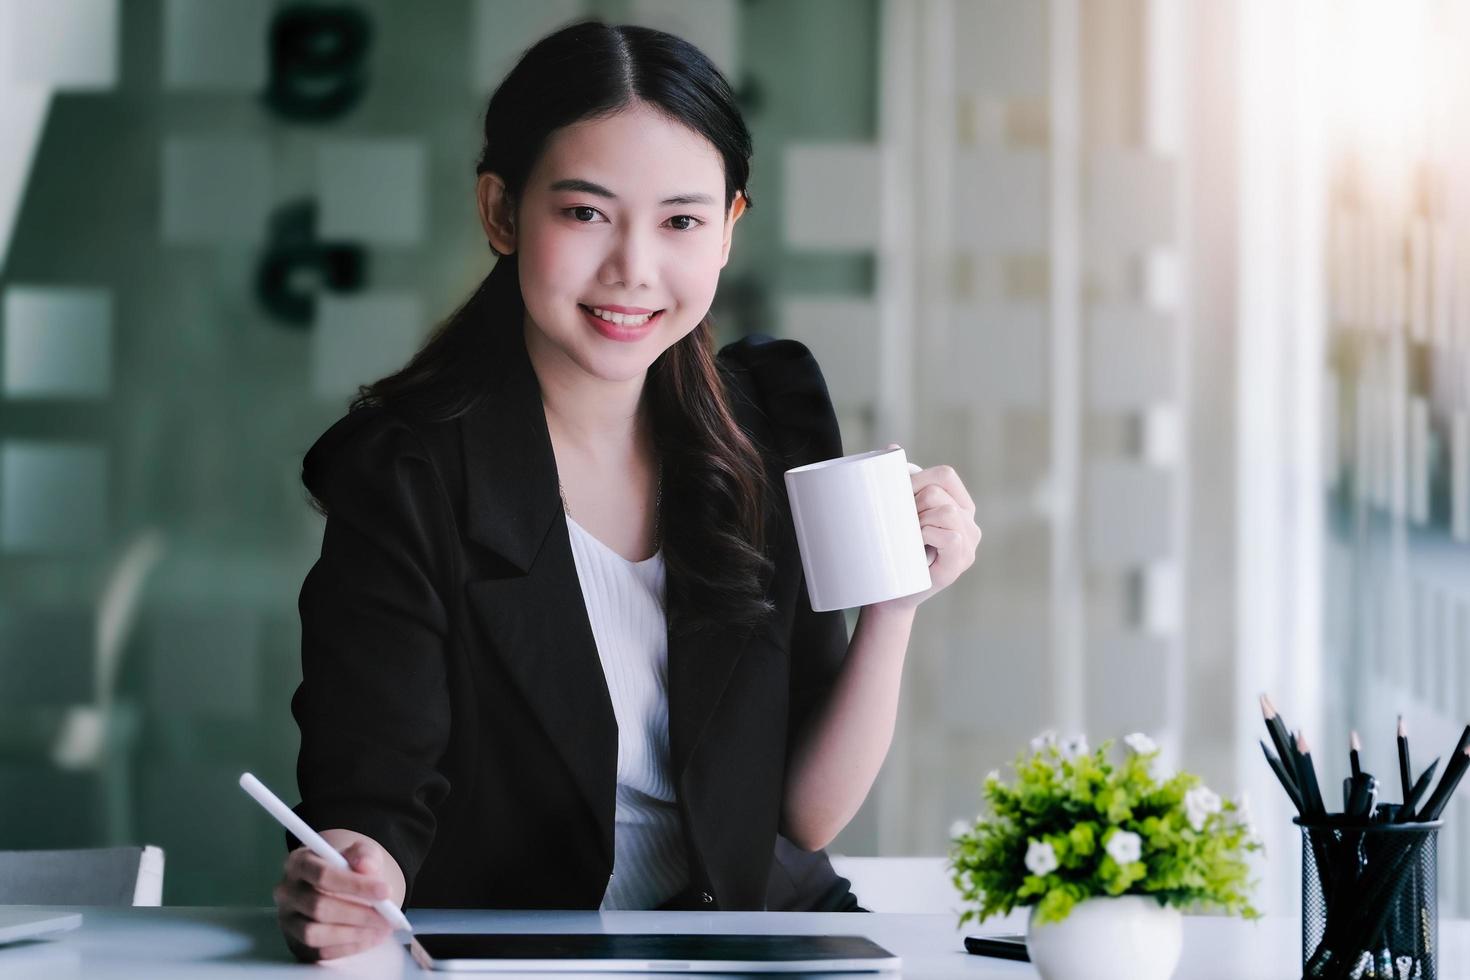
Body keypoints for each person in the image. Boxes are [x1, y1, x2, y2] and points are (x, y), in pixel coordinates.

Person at [272, 19, 981, 962]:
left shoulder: (765, 430)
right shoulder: (407, 473)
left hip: (753, 948)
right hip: (522, 960)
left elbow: (801, 820)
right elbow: (372, 803)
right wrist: (352, 879)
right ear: (500, 212)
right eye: (584, 213)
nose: (633, 269)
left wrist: (896, 603)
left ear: (729, 230)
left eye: (681, 220)